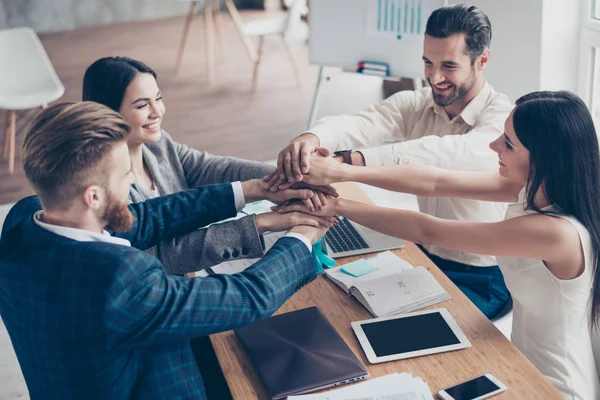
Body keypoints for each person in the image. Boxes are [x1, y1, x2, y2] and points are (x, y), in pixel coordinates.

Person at [274, 91, 600, 399]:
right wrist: (340, 171)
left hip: (557, 384)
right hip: (521, 361)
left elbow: (429, 231)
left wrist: (337, 206)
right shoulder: (530, 190)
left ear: (543, 158)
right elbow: (434, 180)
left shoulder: (556, 233)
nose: (493, 145)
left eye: (508, 144)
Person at [0, 102, 328, 400]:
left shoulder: (23, 221)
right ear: (94, 197)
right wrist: (302, 235)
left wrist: (252, 191)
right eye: (125, 176)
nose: (132, 181)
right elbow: (248, 297)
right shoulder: (118, 279)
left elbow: (140, 219)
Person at [266, 4, 514, 318]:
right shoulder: (419, 103)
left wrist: (348, 163)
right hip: (426, 255)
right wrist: (311, 139)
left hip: (482, 278)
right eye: (428, 62)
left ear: (482, 60)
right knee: (333, 303)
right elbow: (363, 122)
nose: (434, 77)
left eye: (448, 66)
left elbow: (443, 153)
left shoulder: (502, 121)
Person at [82, 56, 336, 275]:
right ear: (106, 112)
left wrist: (289, 176)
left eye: (158, 99)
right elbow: (162, 256)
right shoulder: (104, 185)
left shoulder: (157, 144)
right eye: (141, 105)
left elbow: (210, 167)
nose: (157, 112)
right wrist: (262, 223)